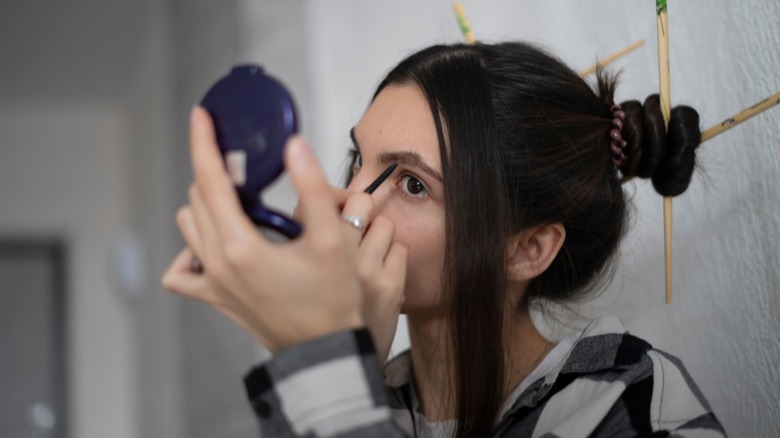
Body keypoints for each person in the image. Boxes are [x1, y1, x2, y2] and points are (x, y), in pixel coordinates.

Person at [162, 42, 726, 437]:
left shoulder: (628, 401)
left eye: (411, 183)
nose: (353, 198)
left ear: (526, 249)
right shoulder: (372, 388)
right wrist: (337, 372)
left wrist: (325, 373)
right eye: (359, 160)